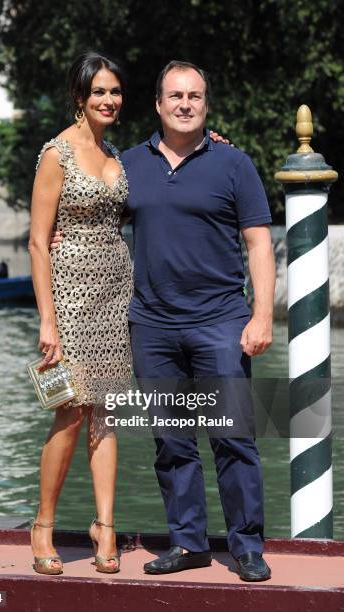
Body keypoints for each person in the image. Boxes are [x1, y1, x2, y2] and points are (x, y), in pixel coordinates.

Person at [51, 59, 274, 582]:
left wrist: (261, 313)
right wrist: (65, 239)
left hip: (221, 320)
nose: (185, 104)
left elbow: (259, 242)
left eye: (194, 96)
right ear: (158, 104)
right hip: (151, 324)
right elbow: (97, 215)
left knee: (233, 437)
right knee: (172, 442)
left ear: (206, 103)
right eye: (175, 96)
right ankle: (189, 543)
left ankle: (246, 546)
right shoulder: (130, 164)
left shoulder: (234, 164)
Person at [28, 51, 132, 575]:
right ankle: (43, 524)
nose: (109, 100)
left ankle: (104, 526)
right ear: (80, 97)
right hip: (68, 299)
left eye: (115, 92)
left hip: (115, 297)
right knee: (68, 413)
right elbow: (37, 242)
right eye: (99, 92)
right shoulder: (57, 153)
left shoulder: (114, 151)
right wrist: (48, 321)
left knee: (108, 415)